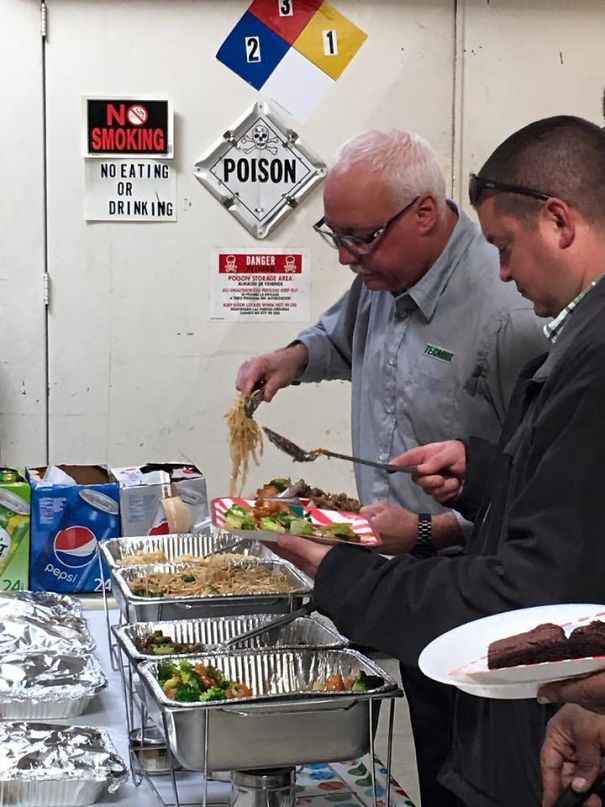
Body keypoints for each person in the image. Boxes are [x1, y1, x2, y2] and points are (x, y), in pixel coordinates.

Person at [272, 115, 605, 806]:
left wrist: (343, 573)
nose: (505, 269)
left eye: (507, 247)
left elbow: (530, 588)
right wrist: (482, 474)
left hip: (520, 682)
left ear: (559, 221)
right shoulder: (574, 334)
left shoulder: (562, 341)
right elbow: (560, 494)